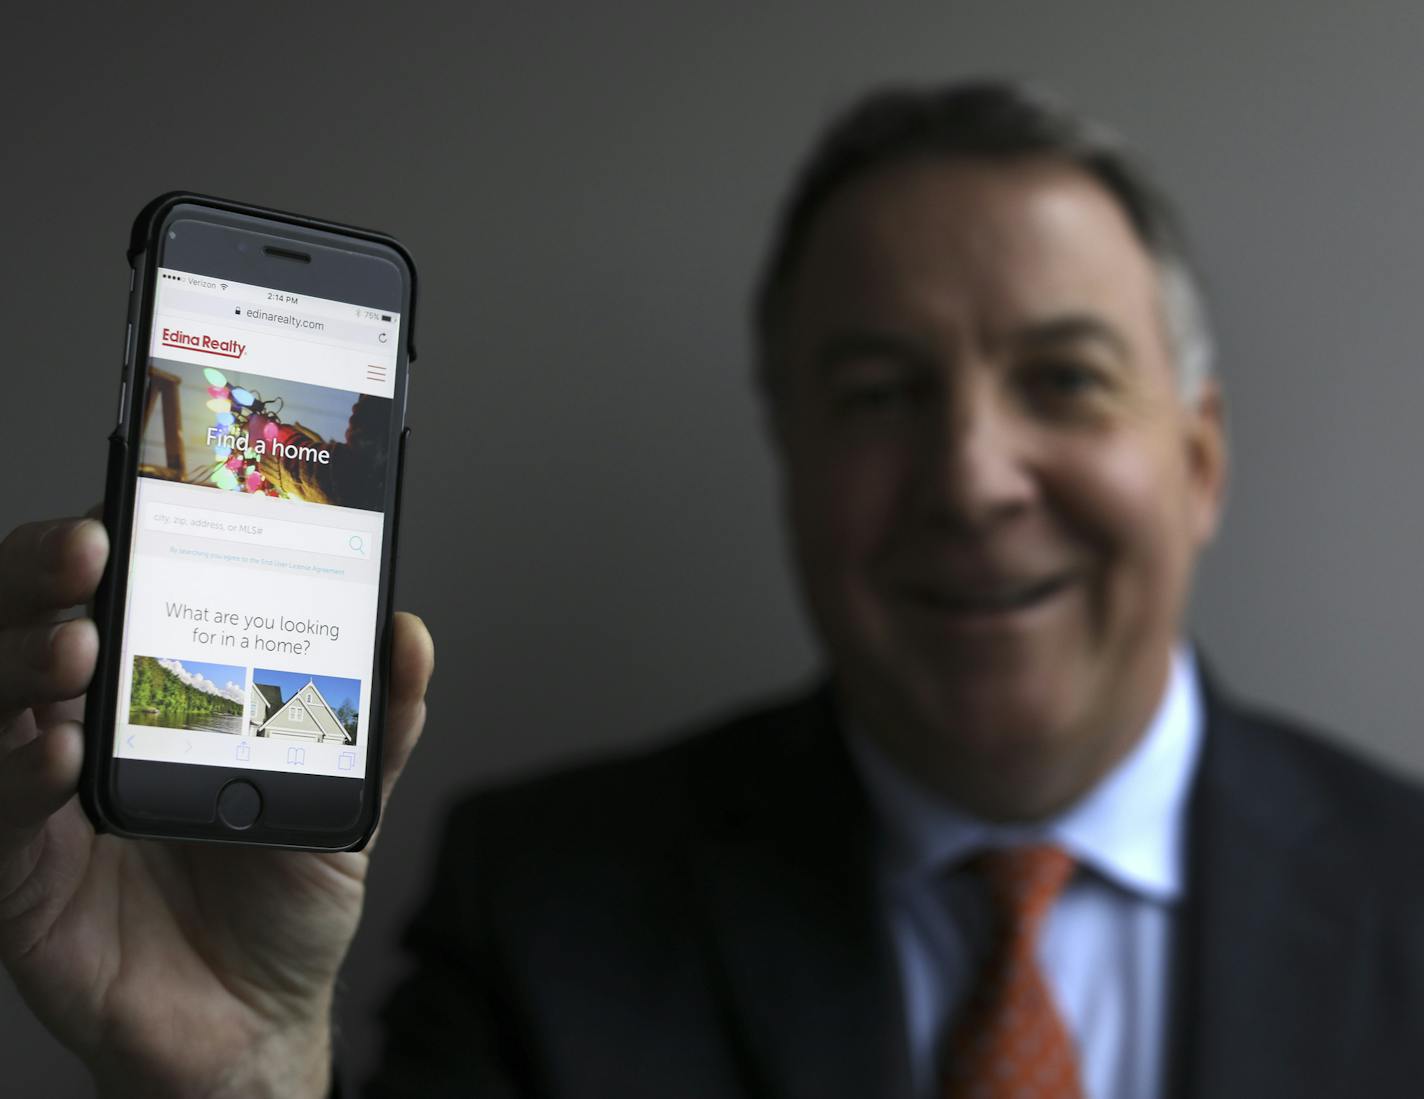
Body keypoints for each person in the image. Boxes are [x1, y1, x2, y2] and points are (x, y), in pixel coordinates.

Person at [5, 79, 1424, 1099]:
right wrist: (245, 1072)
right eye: (878, 393)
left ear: (1200, 458)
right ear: (793, 458)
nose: (974, 476)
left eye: (1064, 379)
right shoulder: (546, 908)